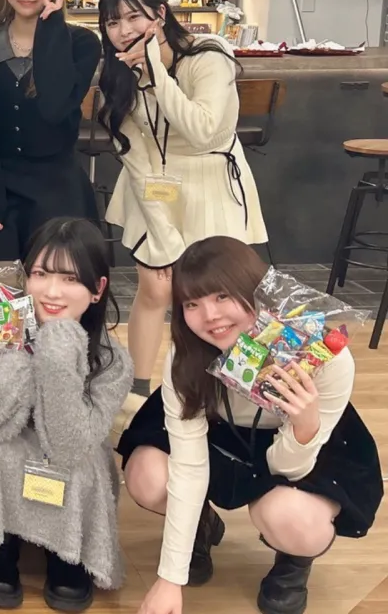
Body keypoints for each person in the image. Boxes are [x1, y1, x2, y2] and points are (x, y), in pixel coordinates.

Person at [118, 237, 382, 614]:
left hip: (295, 450)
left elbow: (289, 469)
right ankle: (200, 525)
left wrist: (303, 426)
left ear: (258, 290)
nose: (210, 315)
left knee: (290, 518)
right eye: (192, 303)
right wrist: (170, 578)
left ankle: (292, 562)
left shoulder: (325, 358)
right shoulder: (186, 358)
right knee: (147, 477)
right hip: (218, 433)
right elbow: (189, 466)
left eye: (222, 296)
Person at [0, 217, 132, 612]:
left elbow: (69, 445)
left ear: (97, 289)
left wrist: (58, 353)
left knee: (81, 462)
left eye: (71, 279)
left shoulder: (112, 361)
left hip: (64, 458)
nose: (52, 291)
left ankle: (67, 552)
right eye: (40, 274)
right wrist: (12, 361)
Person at [95, 0, 267, 437]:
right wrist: (164, 235)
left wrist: (155, 71)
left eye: (134, 16)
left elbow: (202, 130)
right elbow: (135, 156)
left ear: (160, 14)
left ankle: (240, 390)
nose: (124, 30)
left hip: (211, 185)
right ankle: (136, 392)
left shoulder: (208, 56)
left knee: (223, 293)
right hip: (153, 188)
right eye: (112, 22)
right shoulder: (118, 71)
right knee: (155, 289)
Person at [0, 0, 102, 271]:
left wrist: (50, 28)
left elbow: (54, 108)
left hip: (59, 190)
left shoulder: (82, 43)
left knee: (56, 294)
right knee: (3, 297)